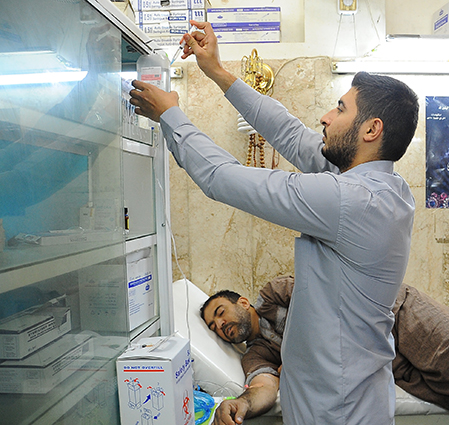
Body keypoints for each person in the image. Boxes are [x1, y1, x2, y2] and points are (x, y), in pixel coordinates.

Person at [129, 20, 420, 425]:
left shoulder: (352, 200)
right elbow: (288, 133)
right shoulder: (378, 187)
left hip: (339, 411)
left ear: (371, 129)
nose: (325, 117)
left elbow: (222, 179)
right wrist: (217, 72)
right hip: (333, 399)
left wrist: (170, 116)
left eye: (340, 109)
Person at [202, 276, 449, 424]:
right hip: (382, 357)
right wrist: (241, 404)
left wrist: (295, 361)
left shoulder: (273, 293)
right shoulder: (256, 354)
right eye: (214, 328)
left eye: (220, 313)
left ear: (242, 302)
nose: (220, 325)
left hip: (393, 315)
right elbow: (263, 388)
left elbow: (325, 302)